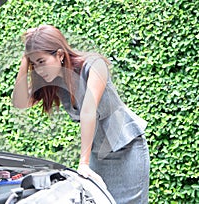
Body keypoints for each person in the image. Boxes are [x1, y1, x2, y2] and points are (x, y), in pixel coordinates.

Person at [12, 24, 150, 204]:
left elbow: (88, 111)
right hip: (98, 155)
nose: (39, 69)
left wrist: (83, 163)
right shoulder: (55, 80)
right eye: (34, 64)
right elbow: (20, 102)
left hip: (127, 150)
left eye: (42, 61)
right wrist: (25, 60)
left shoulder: (94, 66)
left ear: (60, 55)